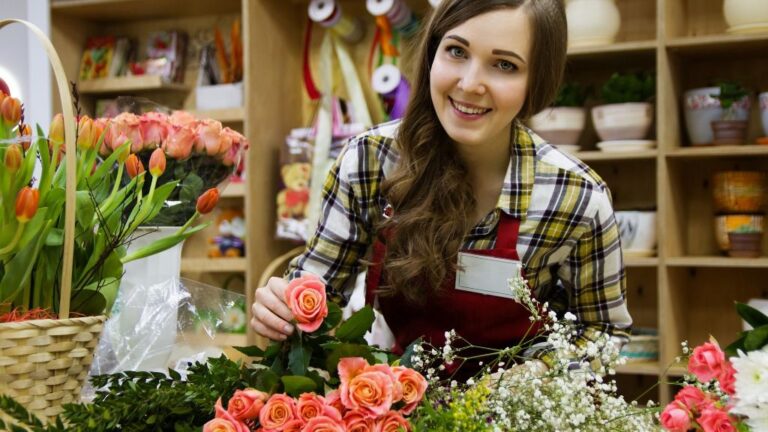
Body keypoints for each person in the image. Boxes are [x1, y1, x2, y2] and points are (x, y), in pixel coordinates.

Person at [251, 0, 631, 370]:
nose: (469, 84)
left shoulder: (575, 197)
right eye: (456, 51)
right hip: (398, 404)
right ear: (432, 52)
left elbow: (603, 331)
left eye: (504, 65)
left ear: (538, 80)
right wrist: (285, 308)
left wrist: (531, 377)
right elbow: (319, 291)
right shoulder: (370, 161)